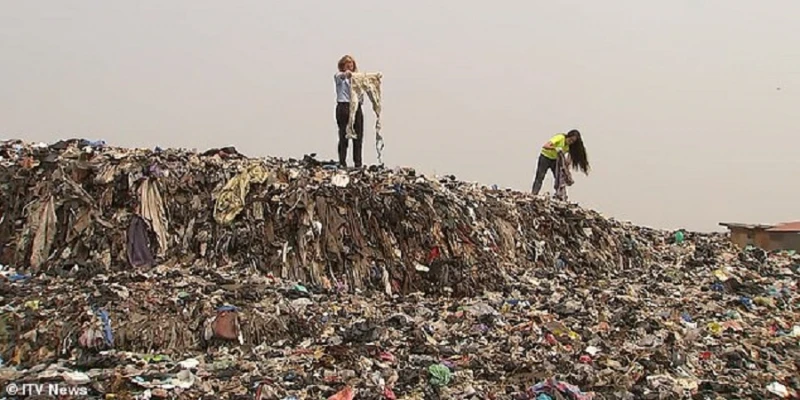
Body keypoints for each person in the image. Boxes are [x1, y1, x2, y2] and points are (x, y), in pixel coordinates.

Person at [531, 130, 590, 195]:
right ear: (568, 136)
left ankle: (560, 195)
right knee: (540, 176)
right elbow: (545, 146)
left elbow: (569, 157)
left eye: (573, 142)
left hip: (555, 160)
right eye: (570, 140)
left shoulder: (569, 146)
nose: (570, 142)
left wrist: (567, 165)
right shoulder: (560, 137)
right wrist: (555, 148)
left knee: (559, 178)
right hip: (545, 157)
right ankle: (534, 193)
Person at [334, 54, 365, 168]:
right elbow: (342, 76)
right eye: (347, 63)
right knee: (343, 136)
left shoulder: (357, 78)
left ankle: (358, 163)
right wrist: (349, 75)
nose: (349, 65)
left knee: (358, 136)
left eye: (351, 63)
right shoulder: (339, 76)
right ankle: (342, 162)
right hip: (344, 107)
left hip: (356, 107)